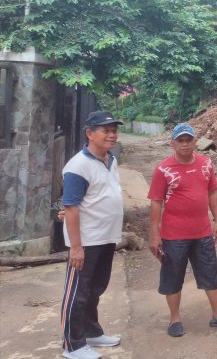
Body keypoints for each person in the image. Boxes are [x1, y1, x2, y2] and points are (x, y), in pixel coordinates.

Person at [148, 122, 217, 337]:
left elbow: (212, 193)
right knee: (173, 276)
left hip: (202, 232)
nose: (184, 144)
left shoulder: (206, 164)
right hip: (173, 235)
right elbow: (156, 202)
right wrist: (155, 235)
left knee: (210, 271)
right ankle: (175, 319)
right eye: (180, 140)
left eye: (188, 140)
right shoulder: (163, 169)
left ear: (195, 141)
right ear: (173, 143)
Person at [60, 110, 125, 359]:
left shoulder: (111, 159)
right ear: (90, 133)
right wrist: (76, 247)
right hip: (86, 241)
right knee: (77, 292)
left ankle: (91, 331)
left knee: (96, 288)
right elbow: (71, 207)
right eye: (106, 130)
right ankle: (72, 345)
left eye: (114, 130)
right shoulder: (78, 166)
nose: (112, 135)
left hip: (106, 237)